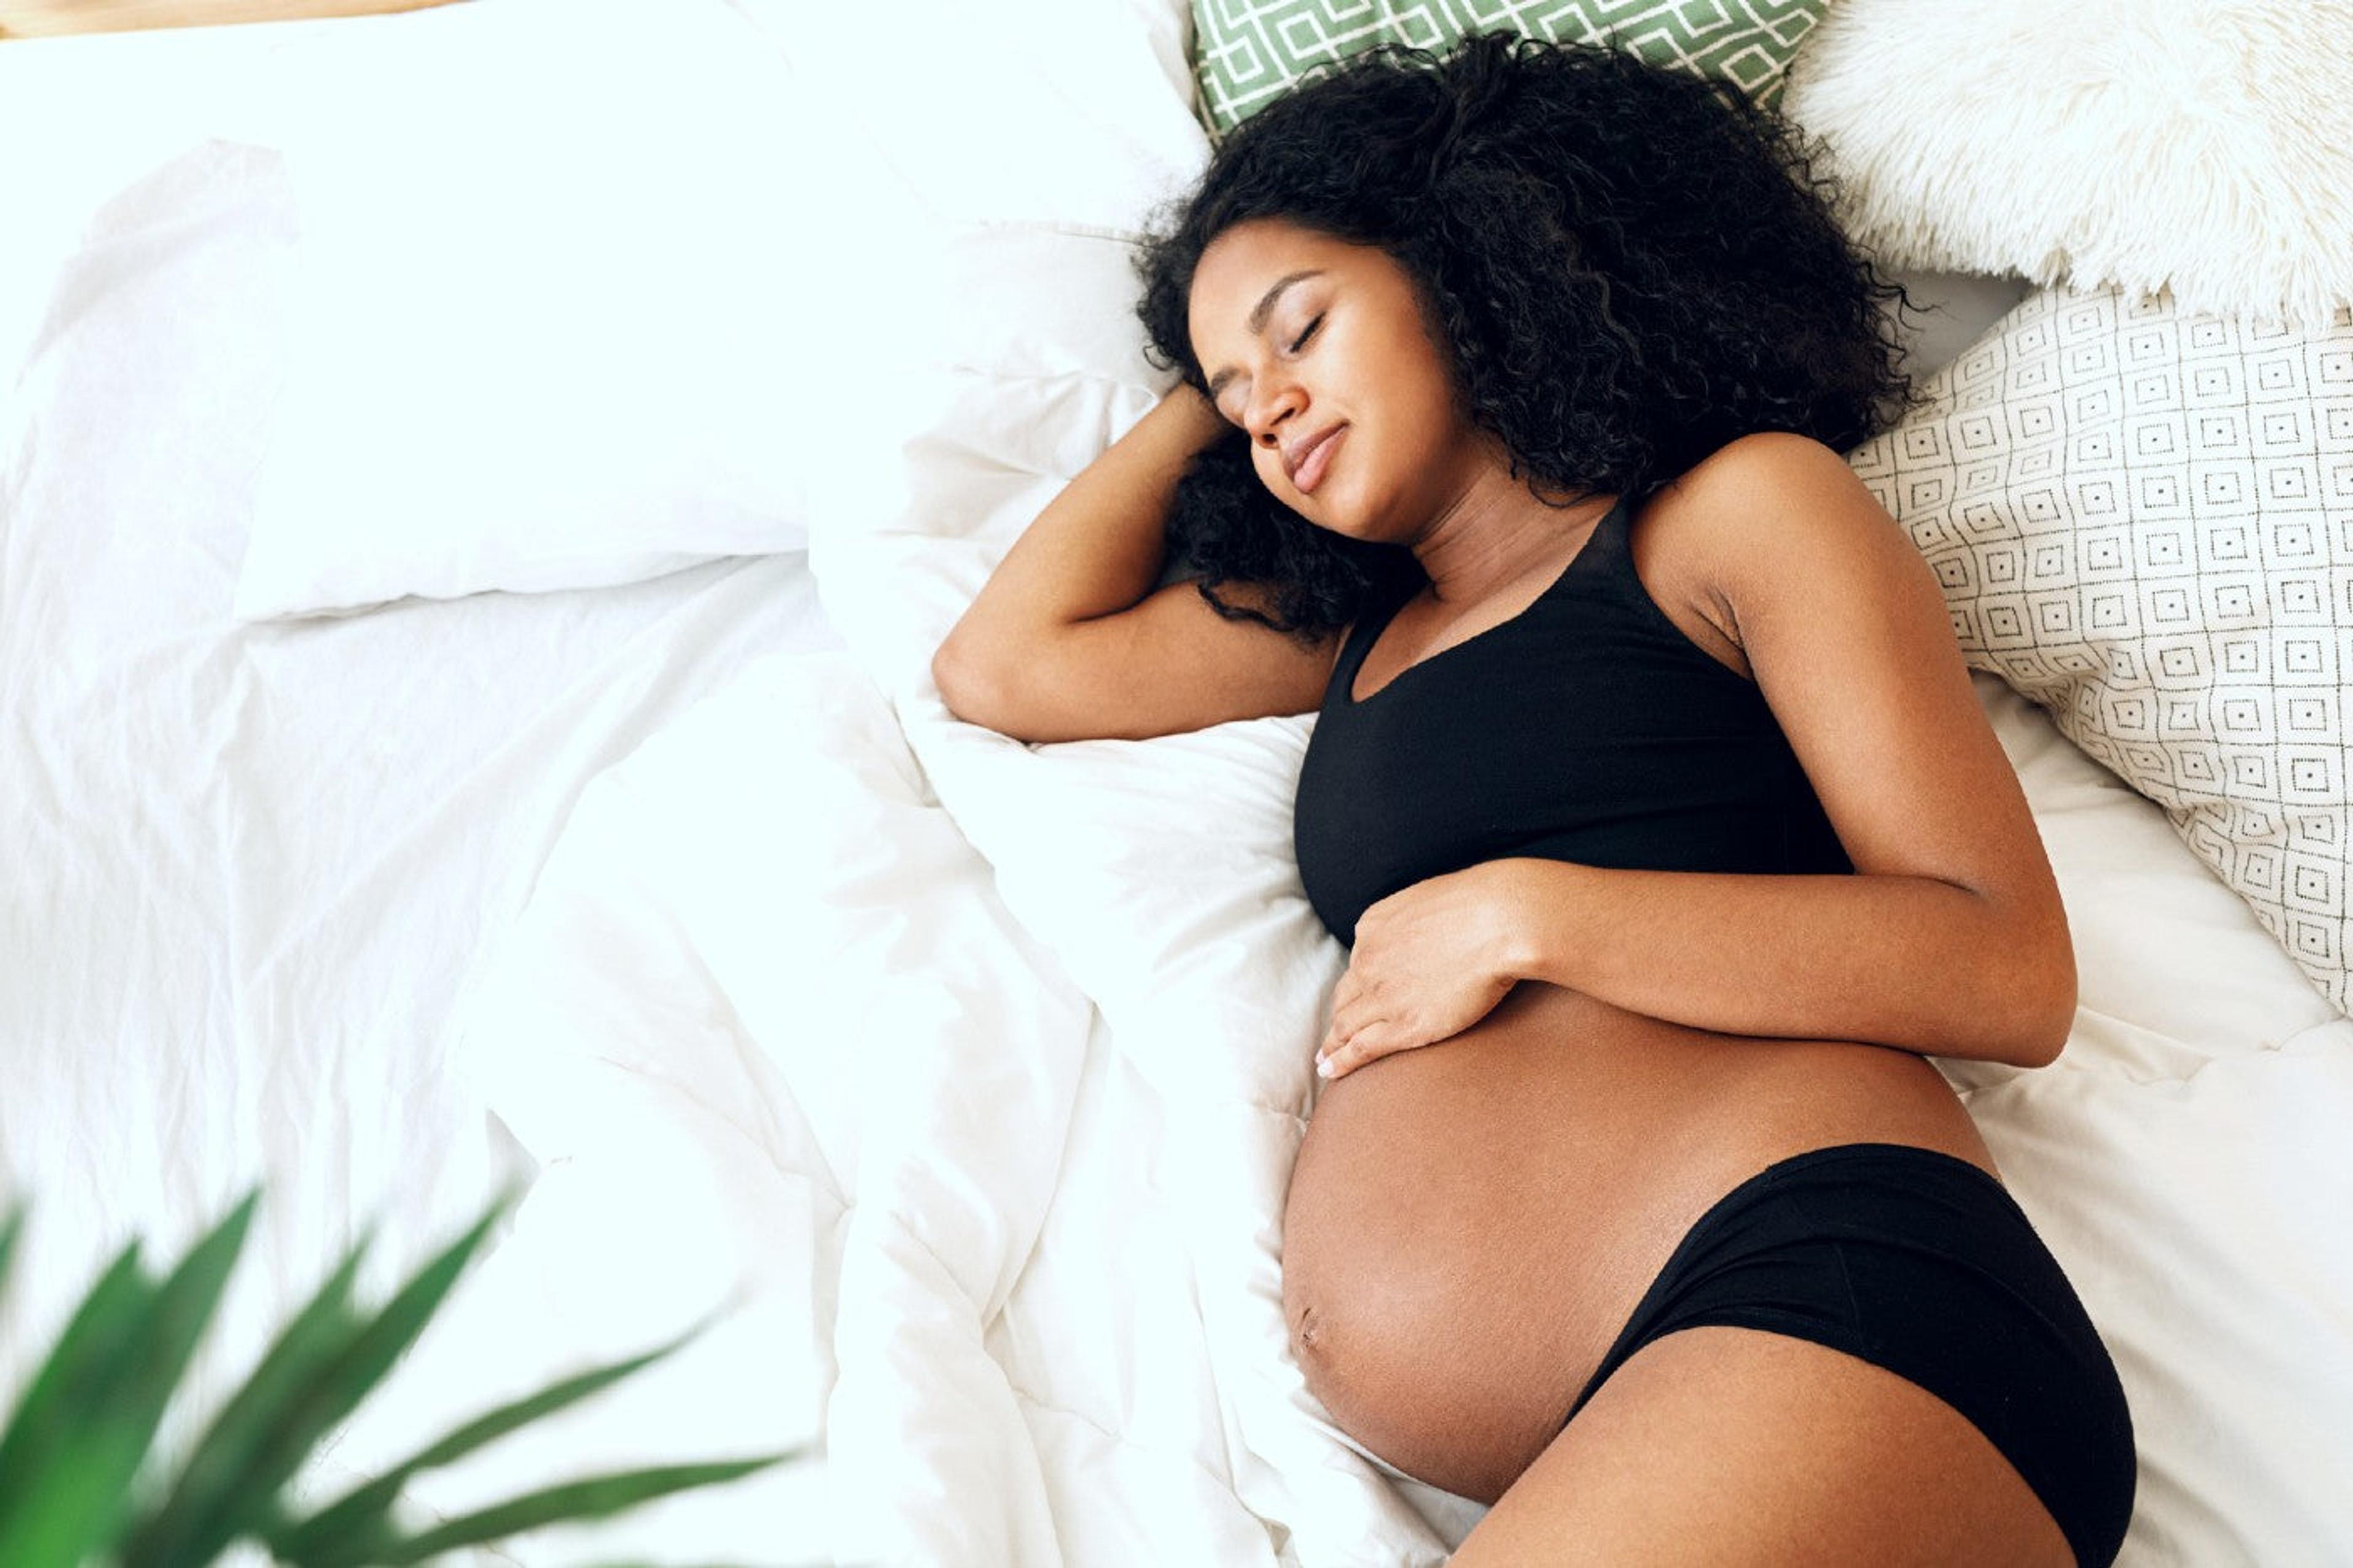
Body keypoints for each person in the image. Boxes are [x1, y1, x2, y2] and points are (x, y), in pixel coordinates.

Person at [931, 31, 2134, 1566]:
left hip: (1832, 1304)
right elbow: (1005, 664)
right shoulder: (1351, 633)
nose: (1274, 411)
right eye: (1240, 403)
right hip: (1660, 1402)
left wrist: (1527, 914)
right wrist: (1208, 365)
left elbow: (2004, 963)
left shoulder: (1734, 513)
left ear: (1468, 261)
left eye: (1308, 327)